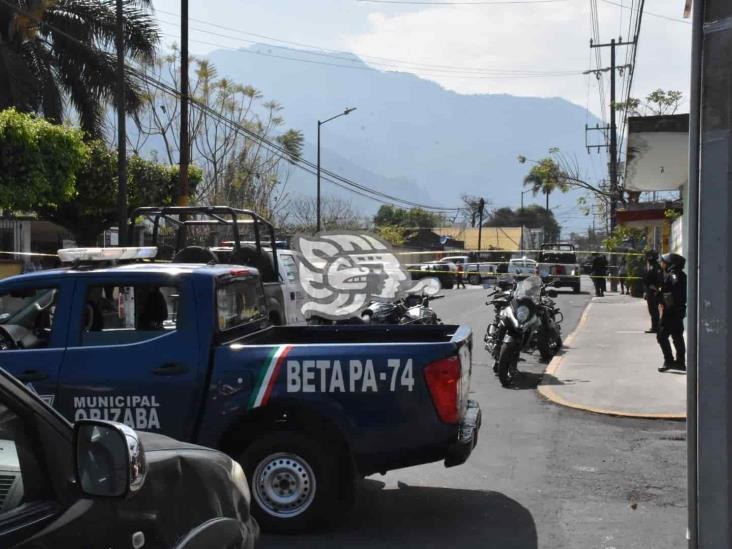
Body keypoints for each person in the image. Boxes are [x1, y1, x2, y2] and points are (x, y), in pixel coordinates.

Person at [657, 253, 687, 372]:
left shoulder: (674, 275)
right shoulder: (679, 274)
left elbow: (673, 293)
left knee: (662, 335)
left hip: (671, 312)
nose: (662, 263)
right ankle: (679, 362)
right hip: (677, 311)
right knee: (677, 336)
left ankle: (669, 361)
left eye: (663, 261)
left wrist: (660, 295)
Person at [643, 250, 663, 333]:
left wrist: (656, 288)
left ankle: (656, 327)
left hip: (653, 291)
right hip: (649, 290)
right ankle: (654, 326)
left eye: (649, 256)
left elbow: (659, 279)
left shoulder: (656, 266)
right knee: (651, 310)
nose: (647, 258)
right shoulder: (650, 266)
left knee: (654, 310)